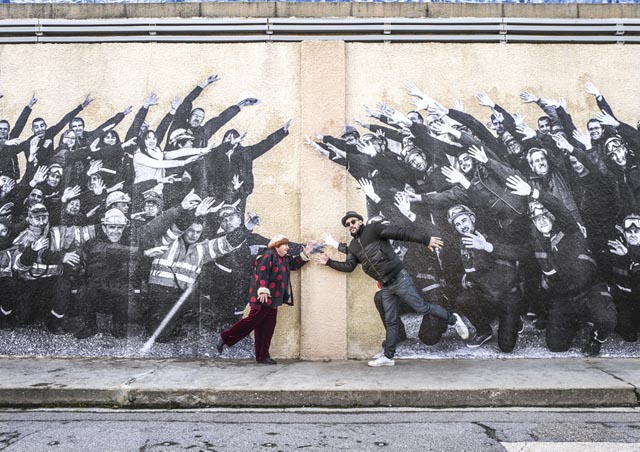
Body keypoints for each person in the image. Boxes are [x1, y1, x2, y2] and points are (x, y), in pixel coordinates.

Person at [315, 211, 469, 367]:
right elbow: (349, 266)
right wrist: (329, 262)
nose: (351, 226)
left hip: (399, 278)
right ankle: (388, 357)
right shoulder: (354, 246)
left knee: (422, 307)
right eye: (347, 224)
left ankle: (453, 319)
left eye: (353, 222)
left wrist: (426, 240)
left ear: (361, 221)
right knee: (391, 322)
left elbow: (400, 233)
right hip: (386, 285)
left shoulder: (373, 229)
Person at [217, 234, 312, 364]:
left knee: (267, 327)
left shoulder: (283, 258)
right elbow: (262, 272)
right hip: (262, 298)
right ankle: (225, 337)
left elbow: (294, 265)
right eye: (285, 244)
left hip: (273, 300)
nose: (288, 247)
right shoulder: (268, 255)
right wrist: (262, 289)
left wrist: (305, 254)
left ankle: (262, 356)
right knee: (251, 321)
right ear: (277, 245)